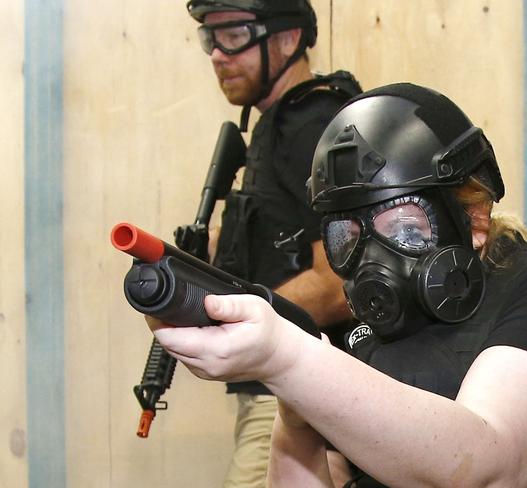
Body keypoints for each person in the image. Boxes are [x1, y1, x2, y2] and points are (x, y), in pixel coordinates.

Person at [149, 83, 527, 487]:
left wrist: (289, 358)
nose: (372, 258)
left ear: (473, 217)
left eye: (405, 226)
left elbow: (487, 466)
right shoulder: (368, 340)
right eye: (347, 235)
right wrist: (295, 411)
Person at [184, 0, 362, 485]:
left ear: (287, 39)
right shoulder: (278, 123)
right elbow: (280, 240)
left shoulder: (312, 124)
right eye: (210, 38)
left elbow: (338, 284)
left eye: (235, 36)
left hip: (297, 391)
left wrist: (225, 314)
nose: (218, 54)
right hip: (277, 386)